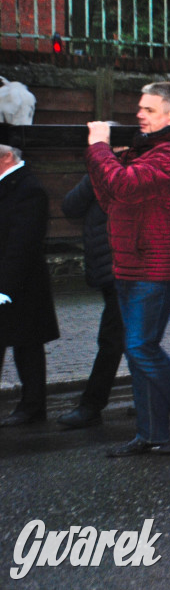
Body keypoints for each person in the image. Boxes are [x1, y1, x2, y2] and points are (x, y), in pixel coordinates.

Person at [85, 82, 170, 456]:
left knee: (141, 347)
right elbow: (111, 198)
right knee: (137, 348)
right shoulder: (148, 152)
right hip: (131, 263)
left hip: (159, 266)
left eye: (149, 110)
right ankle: (151, 433)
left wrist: (99, 148)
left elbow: (122, 187)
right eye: (140, 107)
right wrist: (113, 159)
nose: (139, 114)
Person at [57, 171, 124, 428]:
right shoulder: (100, 174)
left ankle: (91, 405)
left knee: (113, 339)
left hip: (125, 268)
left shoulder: (133, 172)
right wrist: (97, 174)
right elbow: (71, 207)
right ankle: (157, 400)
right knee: (133, 340)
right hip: (109, 268)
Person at [0, 134, 59, 426]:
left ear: (6, 157)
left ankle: (33, 407)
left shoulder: (28, 188)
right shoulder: (13, 185)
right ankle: (30, 406)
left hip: (20, 285)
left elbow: (22, 244)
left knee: (28, 346)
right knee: (23, 344)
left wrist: (4, 288)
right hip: (11, 281)